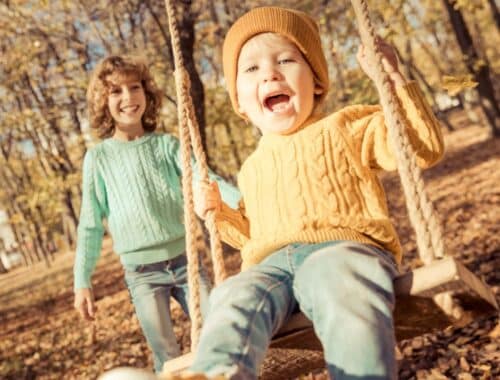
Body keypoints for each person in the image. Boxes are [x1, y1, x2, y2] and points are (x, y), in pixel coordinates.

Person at [162, 6, 446, 380]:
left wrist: (392, 79)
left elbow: (421, 145)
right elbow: (252, 235)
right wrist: (219, 213)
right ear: (241, 105)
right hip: (270, 267)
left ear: (316, 81)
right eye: (251, 69)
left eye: (285, 59)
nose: (270, 73)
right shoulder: (250, 168)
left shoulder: (346, 127)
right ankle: (217, 373)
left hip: (343, 249)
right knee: (232, 295)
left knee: (337, 279)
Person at [73, 55, 241, 374]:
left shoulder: (167, 146)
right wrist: (82, 280)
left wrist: (244, 203)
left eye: (134, 87)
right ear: (102, 102)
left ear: (146, 94)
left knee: (217, 334)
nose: (127, 98)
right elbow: (90, 225)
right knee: (166, 352)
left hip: (185, 260)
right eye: (116, 92)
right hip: (142, 274)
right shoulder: (98, 159)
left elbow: (203, 178)